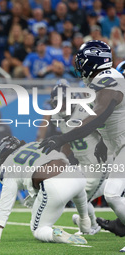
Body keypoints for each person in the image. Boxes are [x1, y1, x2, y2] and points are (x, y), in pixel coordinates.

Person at [39, 40, 125, 239]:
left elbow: (100, 115)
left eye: (82, 60)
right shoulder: (101, 81)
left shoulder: (109, 79)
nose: (79, 64)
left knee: (112, 195)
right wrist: (103, 143)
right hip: (118, 146)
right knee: (114, 194)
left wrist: (63, 138)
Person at [0, 136, 90, 244]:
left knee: (38, 229)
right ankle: (85, 223)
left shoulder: (9, 165)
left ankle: (55, 235)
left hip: (54, 184)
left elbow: (5, 203)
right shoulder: (34, 144)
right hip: (76, 174)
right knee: (79, 194)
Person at [50, 80, 107, 235]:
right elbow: (67, 140)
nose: (59, 106)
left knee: (80, 195)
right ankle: (92, 224)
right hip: (83, 163)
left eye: (61, 102)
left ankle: (89, 226)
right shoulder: (58, 115)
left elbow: (105, 133)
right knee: (78, 193)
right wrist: (61, 159)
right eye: (56, 103)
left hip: (98, 163)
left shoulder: (85, 110)